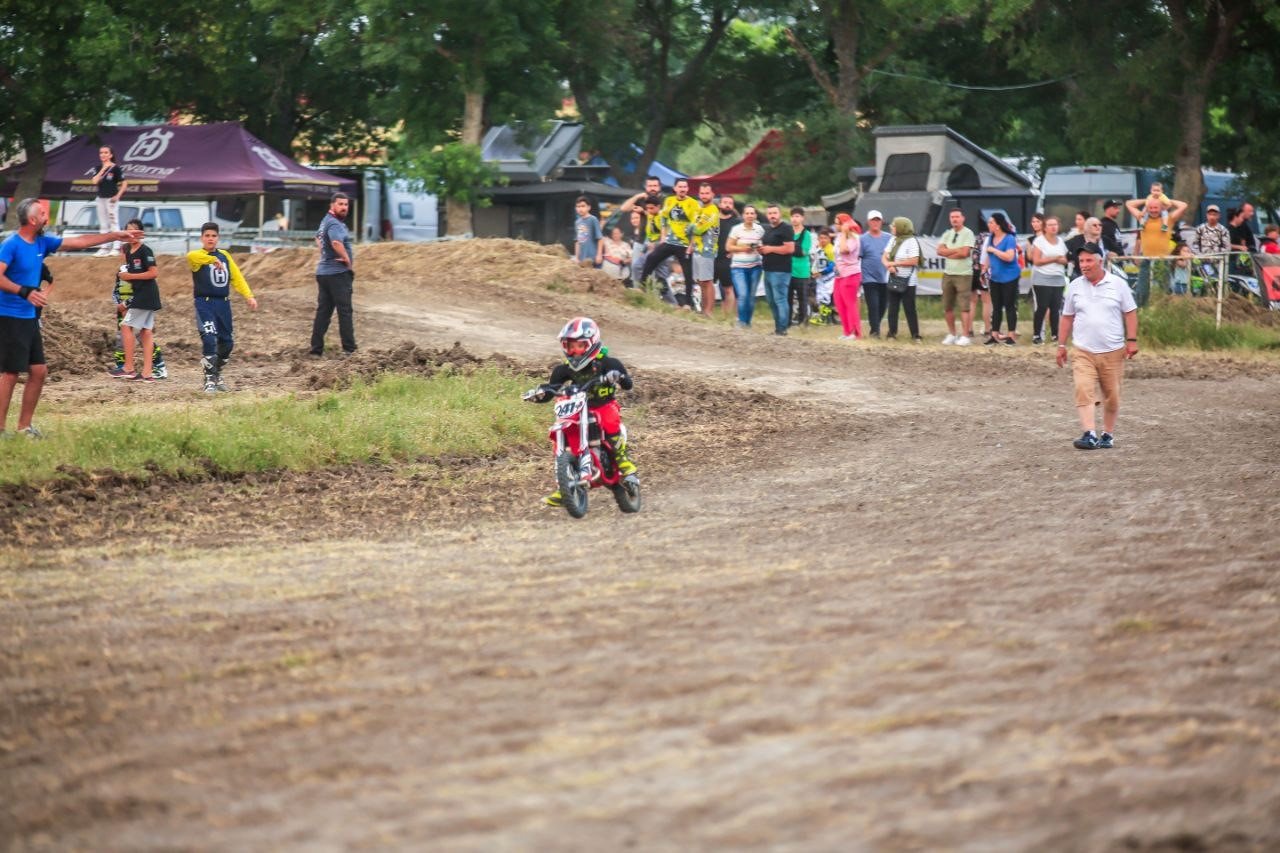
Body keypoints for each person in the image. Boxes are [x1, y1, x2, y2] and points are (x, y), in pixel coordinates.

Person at [0, 198, 142, 438]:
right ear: (32, 220)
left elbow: (80, 241)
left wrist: (113, 236)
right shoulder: (11, 244)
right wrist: (24, 292)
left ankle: (24, 428)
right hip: (10, 316)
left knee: (39, 371)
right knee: (11, 373)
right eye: (44, 213)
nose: (47, 217)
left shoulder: (41, 242)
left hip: (29, 317)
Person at [527, 317, 636, 507]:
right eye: (570, 347)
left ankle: (623, 461)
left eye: (579, 346)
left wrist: (617, 376)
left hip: (603, 405)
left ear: (591, 343)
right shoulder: (563, 370)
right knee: (563, 430)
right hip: (578, 408)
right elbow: (552, 388)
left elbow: (628, 384)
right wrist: (539, 393)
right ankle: (565, 485)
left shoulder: (608, 363)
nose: (574, 352)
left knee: (610, 420)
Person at [1056, 242, 1139, 450]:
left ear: (1100, 261)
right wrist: (1061, 345)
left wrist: (1132, 340)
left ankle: (1107, 435)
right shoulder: (1075, 286)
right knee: (1083, 389)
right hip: (1083, 350)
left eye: (1088, 260)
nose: (1084, 265)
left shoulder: (1118, 284)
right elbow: (1066, 317)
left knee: (1112, 396)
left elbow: (1130, 312)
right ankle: (1089, 434)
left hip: (1113, 351)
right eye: (1081, 261)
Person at [187, 222, 259, 393]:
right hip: (204, 303)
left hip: (223, 303)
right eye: (207, 236)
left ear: (218, 238)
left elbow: (236, 277)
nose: (210, 239)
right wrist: (212, 259)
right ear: (202, 238)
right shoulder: (197, 256)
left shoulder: (225, 255)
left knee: (227, 342)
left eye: (213, 236)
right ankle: (209, 379)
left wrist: (248, 296)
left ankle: (217, 373)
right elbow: (191, 257)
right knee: (209, 338)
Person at [114, 218, 163, 382]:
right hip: (141, 295)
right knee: (145, 332)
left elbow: (153, 273)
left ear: (141, 233)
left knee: (126, 326)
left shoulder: (145, 251)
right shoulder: (128, 252)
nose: (132, 234)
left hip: (146, 295)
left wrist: (129, 276)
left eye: (135, 231)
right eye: (128, 231)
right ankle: (147, 373)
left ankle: (129, 368)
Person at [309, 192, 356, 359]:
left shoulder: (325, 221)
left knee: (324, 311)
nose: (344, 207)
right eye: (340, 204)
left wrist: (324, 252)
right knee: (345, 311)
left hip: (324, 273)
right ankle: (350, 350)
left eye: (346, 204)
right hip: (337, 273)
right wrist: (347, 260)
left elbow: (317, 238)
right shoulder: (335, 224)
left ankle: (316, 350)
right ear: (332, 205)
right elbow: (336, 242)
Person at [640, 178, 699, 306]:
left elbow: (696, 226)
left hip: (684, 244)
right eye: (680, 187)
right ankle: (642, 287)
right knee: (651, 258)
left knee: (688, 274)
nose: (682, 189)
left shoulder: (693, 203)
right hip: (670, 241)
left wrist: (692, 244)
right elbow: (664, 220)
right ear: (675, 188)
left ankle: (688, 304)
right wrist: (663, 237)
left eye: (684, 187)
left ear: (687, 189)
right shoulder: (669, 200)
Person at [109, 258, 168, 379]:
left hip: (138, 306)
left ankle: (159, 365)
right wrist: (119, 305)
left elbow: (142, 292)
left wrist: (127, 304)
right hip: (123, 308)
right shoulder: (122, 270)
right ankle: (122, 365)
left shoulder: (140, 271)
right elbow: (116, 290)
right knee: (122, 335)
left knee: (142, 335)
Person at [1126, 192, 1187, 304]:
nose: (1153, 210)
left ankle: (1164, 312)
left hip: (1163, 261)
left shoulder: (1168, 219)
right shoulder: (1142, 218)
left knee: (1165, 290)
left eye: (1156, 207)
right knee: (1142, 291)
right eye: (1151, 208)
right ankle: (1142, 314)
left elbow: (1183, 205)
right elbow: (1129, 204)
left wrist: (1165, 200)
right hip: (1146, 260)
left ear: (1161, 208)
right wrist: (1148, 199)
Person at [936, 207, 975, 345]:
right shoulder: (947, 233)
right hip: (948, 273)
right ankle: (952, 334)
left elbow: (964, 253)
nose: (955, 219)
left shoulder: (968, 233)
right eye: (952, 217)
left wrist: (948, 251)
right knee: (947, 306)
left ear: (962, 218)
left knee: (964, 306)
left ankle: (965, 335)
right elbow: (939, 251)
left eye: (957, 217)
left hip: (963, 274)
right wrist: (954, 251)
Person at [1030, 215, 1069, 344]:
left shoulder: (1061, 241)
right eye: (1050, 225)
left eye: (1055, 225)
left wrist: (1061, 260)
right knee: (1042, 307)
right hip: (1042, 278)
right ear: (1045, 228)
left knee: (1055, 308)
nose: (1053, 227)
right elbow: (1036, 261)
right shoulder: (1039, 241)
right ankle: (1037, 335)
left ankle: (1055, 335)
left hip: (1058, 278)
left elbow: (1064, 259)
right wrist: (1054, 259)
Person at [882, 216, 922, 341]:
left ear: (901, 227)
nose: (891, 227)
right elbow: (884, 256)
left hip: (908, 281)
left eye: (894, 225)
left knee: (909, 308)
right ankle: (892, 333)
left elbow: (914, 260)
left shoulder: (912, 241)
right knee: (893, 307)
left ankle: (915, 335)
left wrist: (895, 264)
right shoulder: (893, 239)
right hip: (893, 277)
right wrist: (888, 266)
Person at [759, 205, 796, 335]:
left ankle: (783, 329)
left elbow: (790, 249)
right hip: (768, 269)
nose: (772, 216)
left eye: (775, 213)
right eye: (770, 213)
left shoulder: (786, 228)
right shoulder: (768, 229)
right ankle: (778, 328)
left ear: (779, 214)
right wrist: (762, 250)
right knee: (771, 300)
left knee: (780, 299)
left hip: (781, 270)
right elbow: (768, 248)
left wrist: (770, 249)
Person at [984, 212, 1021, 345]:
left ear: (998, 225)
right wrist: (984, 269)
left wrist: (994, 250)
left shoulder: (1009, 238)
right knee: (997, 306)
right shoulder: (991, 237)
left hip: (1010, 277)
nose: (989, 225)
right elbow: (989, 256)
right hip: (995, 277)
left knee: (1010, 306)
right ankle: (994, 335)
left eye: (991, 222)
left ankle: (1011, 336)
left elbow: (1009, 257)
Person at [726, 204, 764, 328]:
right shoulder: (736, 229)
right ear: (743, 215)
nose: (749, 216)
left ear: (755, 215)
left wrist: (758, 248)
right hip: (738, 267)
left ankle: (748, 322)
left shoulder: (760, 230)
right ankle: (741, 321)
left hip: (755, 266)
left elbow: (763, 246)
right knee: (742, 295)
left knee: (751, 296)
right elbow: (728, 247)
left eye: (752, 213)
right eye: (747, 213)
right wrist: (743, 249)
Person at [91, 146, 128, 257]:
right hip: (101, 198)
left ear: (111, 155)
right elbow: (94, 181)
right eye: (101, 152)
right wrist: (103, 169)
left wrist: (118, 195)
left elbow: (124, 183)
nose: (103, 155)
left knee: (113, 222)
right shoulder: (98, 168)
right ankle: (104, 247)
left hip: (111, 199)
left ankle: (116, 247)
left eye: (106, 152)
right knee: (103, 223)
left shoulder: (116, 168)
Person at [858, 210, 891, 337]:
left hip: (886, 277)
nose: (875, 222)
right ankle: (875, 331)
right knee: (873, 305)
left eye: (877, 220)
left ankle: (875, 326)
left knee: (883, 306)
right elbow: (858, 258)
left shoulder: (888, 238)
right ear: (868, 222)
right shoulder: (863, 239)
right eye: (873, 220)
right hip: (869, 278)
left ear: (881, 222)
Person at [689, 182, 720, 317]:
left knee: (707, 281)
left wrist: (691, 227)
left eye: (707, 193)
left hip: (707, 250)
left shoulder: (712, 210)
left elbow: (698, 228)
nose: (704, 195)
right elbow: (692, 227)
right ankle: (703, 309)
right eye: (702, 193)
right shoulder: (699, 209)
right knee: (700, 281)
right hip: (697, 248)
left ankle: (709, 311)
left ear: (712, 194)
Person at [832, 213, 862, 339]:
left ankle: (855, 332)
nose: (835, 225)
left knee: (850, 303)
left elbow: (844, 250)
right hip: (839, 274)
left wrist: (844, 233)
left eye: (837, 223)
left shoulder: (853, 238)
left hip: (851, 274)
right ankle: (847, 331)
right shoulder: (839, 236)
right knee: (839, 302)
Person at [714, 195, 741, 320]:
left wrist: (735, 251)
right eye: (725, 202)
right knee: (707, 285)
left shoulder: (737, 223)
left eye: (730, 203)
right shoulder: (713, 220)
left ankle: (728, 318)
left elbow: (743, 239)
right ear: (719, 204)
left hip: (727, 259)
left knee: (728, 289)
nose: (727, 205)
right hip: (712, 257)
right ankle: (707, 313)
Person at [787, 207, 814, 325]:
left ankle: (803, 322)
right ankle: (786, 321)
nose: (795, 219)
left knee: (802, 298)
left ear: (802, 218)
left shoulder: (807, 234)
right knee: (787, 298)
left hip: (802, 271)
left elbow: (804, 252)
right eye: (793, 216)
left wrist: (790, 248)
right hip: (788, 270)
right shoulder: (787, 232)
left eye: (797, 216)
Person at [573, 196, 602, 268]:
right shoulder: (577, 222)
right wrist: (576, 257)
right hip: (582, 259)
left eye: (583, 206)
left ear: (589, 207)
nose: (580, 209)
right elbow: (577, 241)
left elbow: (600, 239)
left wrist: (599, 255)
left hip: (593, 258)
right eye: (578, 206)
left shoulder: (593, 219)